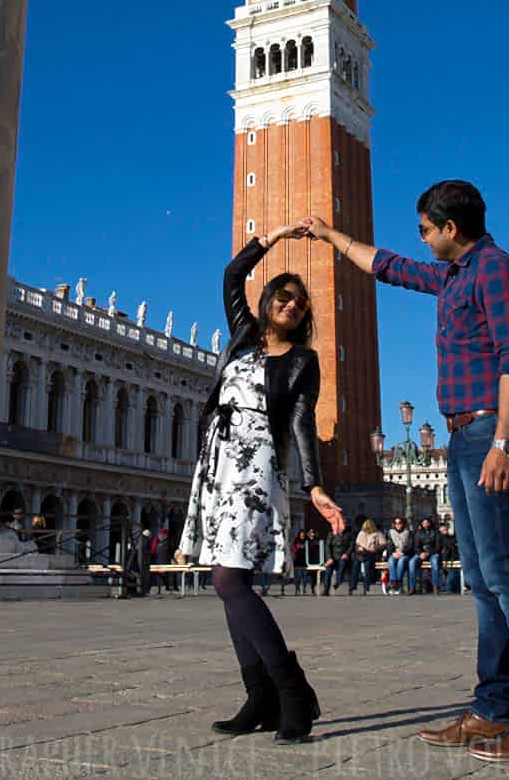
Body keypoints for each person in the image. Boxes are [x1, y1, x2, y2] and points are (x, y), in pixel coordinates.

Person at [309, 181, 509, 762]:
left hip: (488, 432)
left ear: (451, 228)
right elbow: (390, 267)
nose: (422, 237)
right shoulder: (454, 275)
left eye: (426, 228)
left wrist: (505, 440)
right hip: (462, 435)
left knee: (507, 574)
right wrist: (332, 238)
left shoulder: (495, 271)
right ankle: (491, 710)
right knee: (482, 579)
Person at [176, 222, 346, 744]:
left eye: (300, 303)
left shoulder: (302, 361)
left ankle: (293, 692)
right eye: (285, 297)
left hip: (256, 467)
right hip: (218, 464)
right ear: (269, 300)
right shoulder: (243, 335)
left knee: (230, 581)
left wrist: (314, 486)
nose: (292, 305)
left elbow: (301, 423)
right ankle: (260, 696)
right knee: (230, 584)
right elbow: (232, 275)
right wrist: (271, 236)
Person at [354, 519, 384, 595]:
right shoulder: (361, 533)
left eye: (369, 528)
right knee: (356, 564)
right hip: (362, 554)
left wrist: (375, 548)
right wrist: (359, 548)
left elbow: (383, 544)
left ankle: (367, 584)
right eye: (367, 528)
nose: (368, 530)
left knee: (368, 564)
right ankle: (354, 585)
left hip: (373, 554)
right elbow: (357, 545)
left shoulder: (378, 533)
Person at [414, 517, 442, 595]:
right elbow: (416, 546)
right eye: (423, 523)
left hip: (433, 553)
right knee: (412, 562)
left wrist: (428, 553)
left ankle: (436, 586)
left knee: (435, 562)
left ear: (430, 523)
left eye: (427, 522)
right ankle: (413, 587)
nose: (425, 524)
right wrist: (420, 553)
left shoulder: (436, 532)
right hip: (421, 553)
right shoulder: (418, 533)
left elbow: (438, 546)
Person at [387, 516, 415, 595]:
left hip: (405, 553)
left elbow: (410, 545)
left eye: (399, 523)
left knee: (401, 561)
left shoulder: (408, 532)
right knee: (391, 560)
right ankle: (393, 581)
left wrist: (403, 552)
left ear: (403, 524)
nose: (398, 525)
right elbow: (389, 545)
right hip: (395, 553)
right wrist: (393, 552)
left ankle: (398, 581)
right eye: (396, 523)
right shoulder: (390, 532)